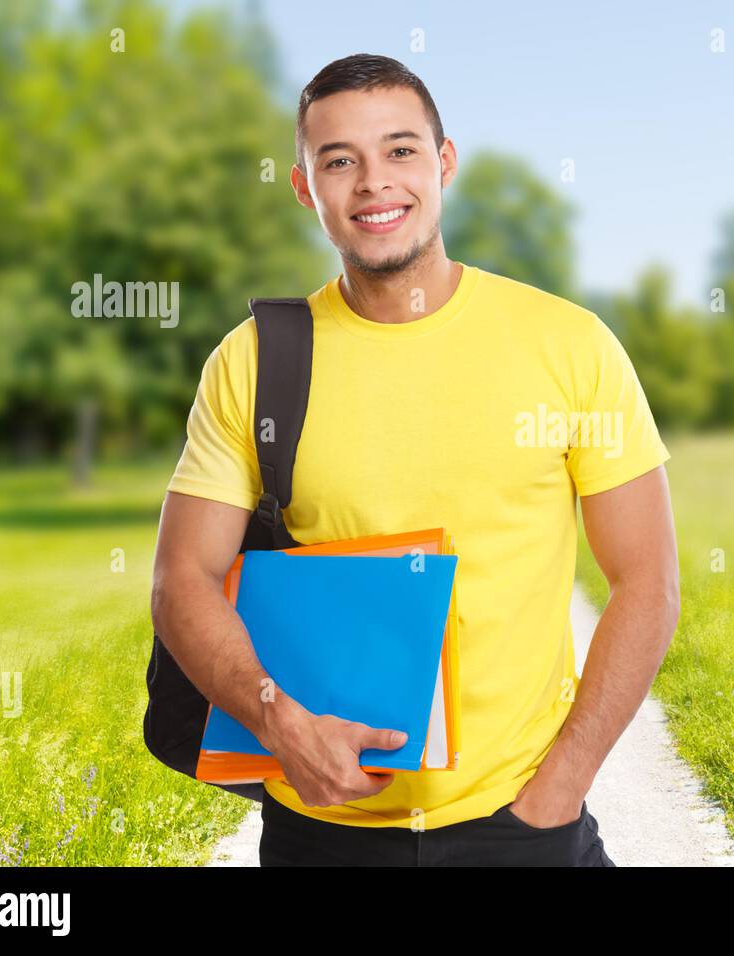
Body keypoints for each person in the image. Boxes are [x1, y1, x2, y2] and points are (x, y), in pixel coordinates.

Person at [149, 53, 680, 866]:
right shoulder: (255, 361)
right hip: (317, 827)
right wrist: (279, 723)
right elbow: (182, 579)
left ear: (444, 162)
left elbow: (647, 581)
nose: (373, 183)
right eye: (339, 161)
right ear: (305, 188)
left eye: (400, 150)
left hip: (522, 818)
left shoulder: (570, 347)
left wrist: (561, 787)